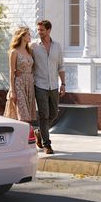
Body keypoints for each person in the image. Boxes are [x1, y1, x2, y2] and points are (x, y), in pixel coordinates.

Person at [31, 18, 66, 155]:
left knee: (54, 114)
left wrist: (63, 83)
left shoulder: (57, 46)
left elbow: (61, 66)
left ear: (48, 30)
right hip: (39, 85)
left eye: (41, 30)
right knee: (44, 116)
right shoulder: (33, 46)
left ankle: (39, 132)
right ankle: (47, 144)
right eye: (38, 30)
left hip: (54, 86)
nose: (39, 32)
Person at [6, 26, 36, 125]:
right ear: (22, 36)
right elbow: (11, 72)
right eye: (28, 34)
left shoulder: (30, 51)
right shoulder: (14, 52)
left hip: (29, 84)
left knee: (28, 116)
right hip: (19, 83)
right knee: (22, 115)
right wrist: (12, 90)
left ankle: (26, 134)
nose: (30, 36)